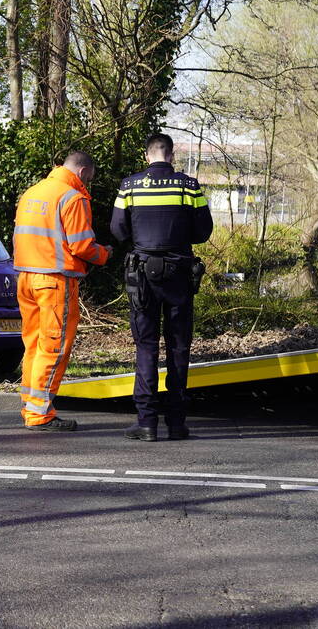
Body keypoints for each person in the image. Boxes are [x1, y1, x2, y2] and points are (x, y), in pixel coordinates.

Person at [110, 133, 213, 441]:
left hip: (142, 277)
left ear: (147, 156)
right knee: (179, 347)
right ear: (171, 156)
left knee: (146, 345)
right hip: (179, 274)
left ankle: (146, 422)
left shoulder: (128, 187)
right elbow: (203, 231)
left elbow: (117, 230)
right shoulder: (189, 186)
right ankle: (178, 423)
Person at [13, 148, 113, 431]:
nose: (88, 185)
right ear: (82, 172)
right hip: (54, 281)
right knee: (54, 346)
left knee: (33, 343)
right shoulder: (72, 197)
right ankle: (40, 413)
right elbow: (81, 245)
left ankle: (30, 405)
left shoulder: (33, 192)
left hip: (26, 277)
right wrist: (104, 254)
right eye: (88, 179)